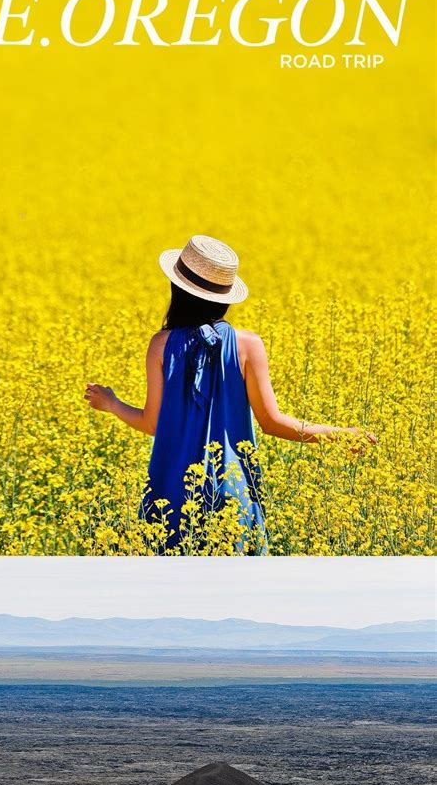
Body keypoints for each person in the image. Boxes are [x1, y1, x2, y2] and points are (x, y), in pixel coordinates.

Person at [85, 235, 376, 552]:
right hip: (232, 495)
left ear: (178, 290)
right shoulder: (249, 346)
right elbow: (272, 422)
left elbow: (152, 423)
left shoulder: (161, 344)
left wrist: (112, 404)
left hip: (170, 495)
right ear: (225, 297)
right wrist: (340, 435)